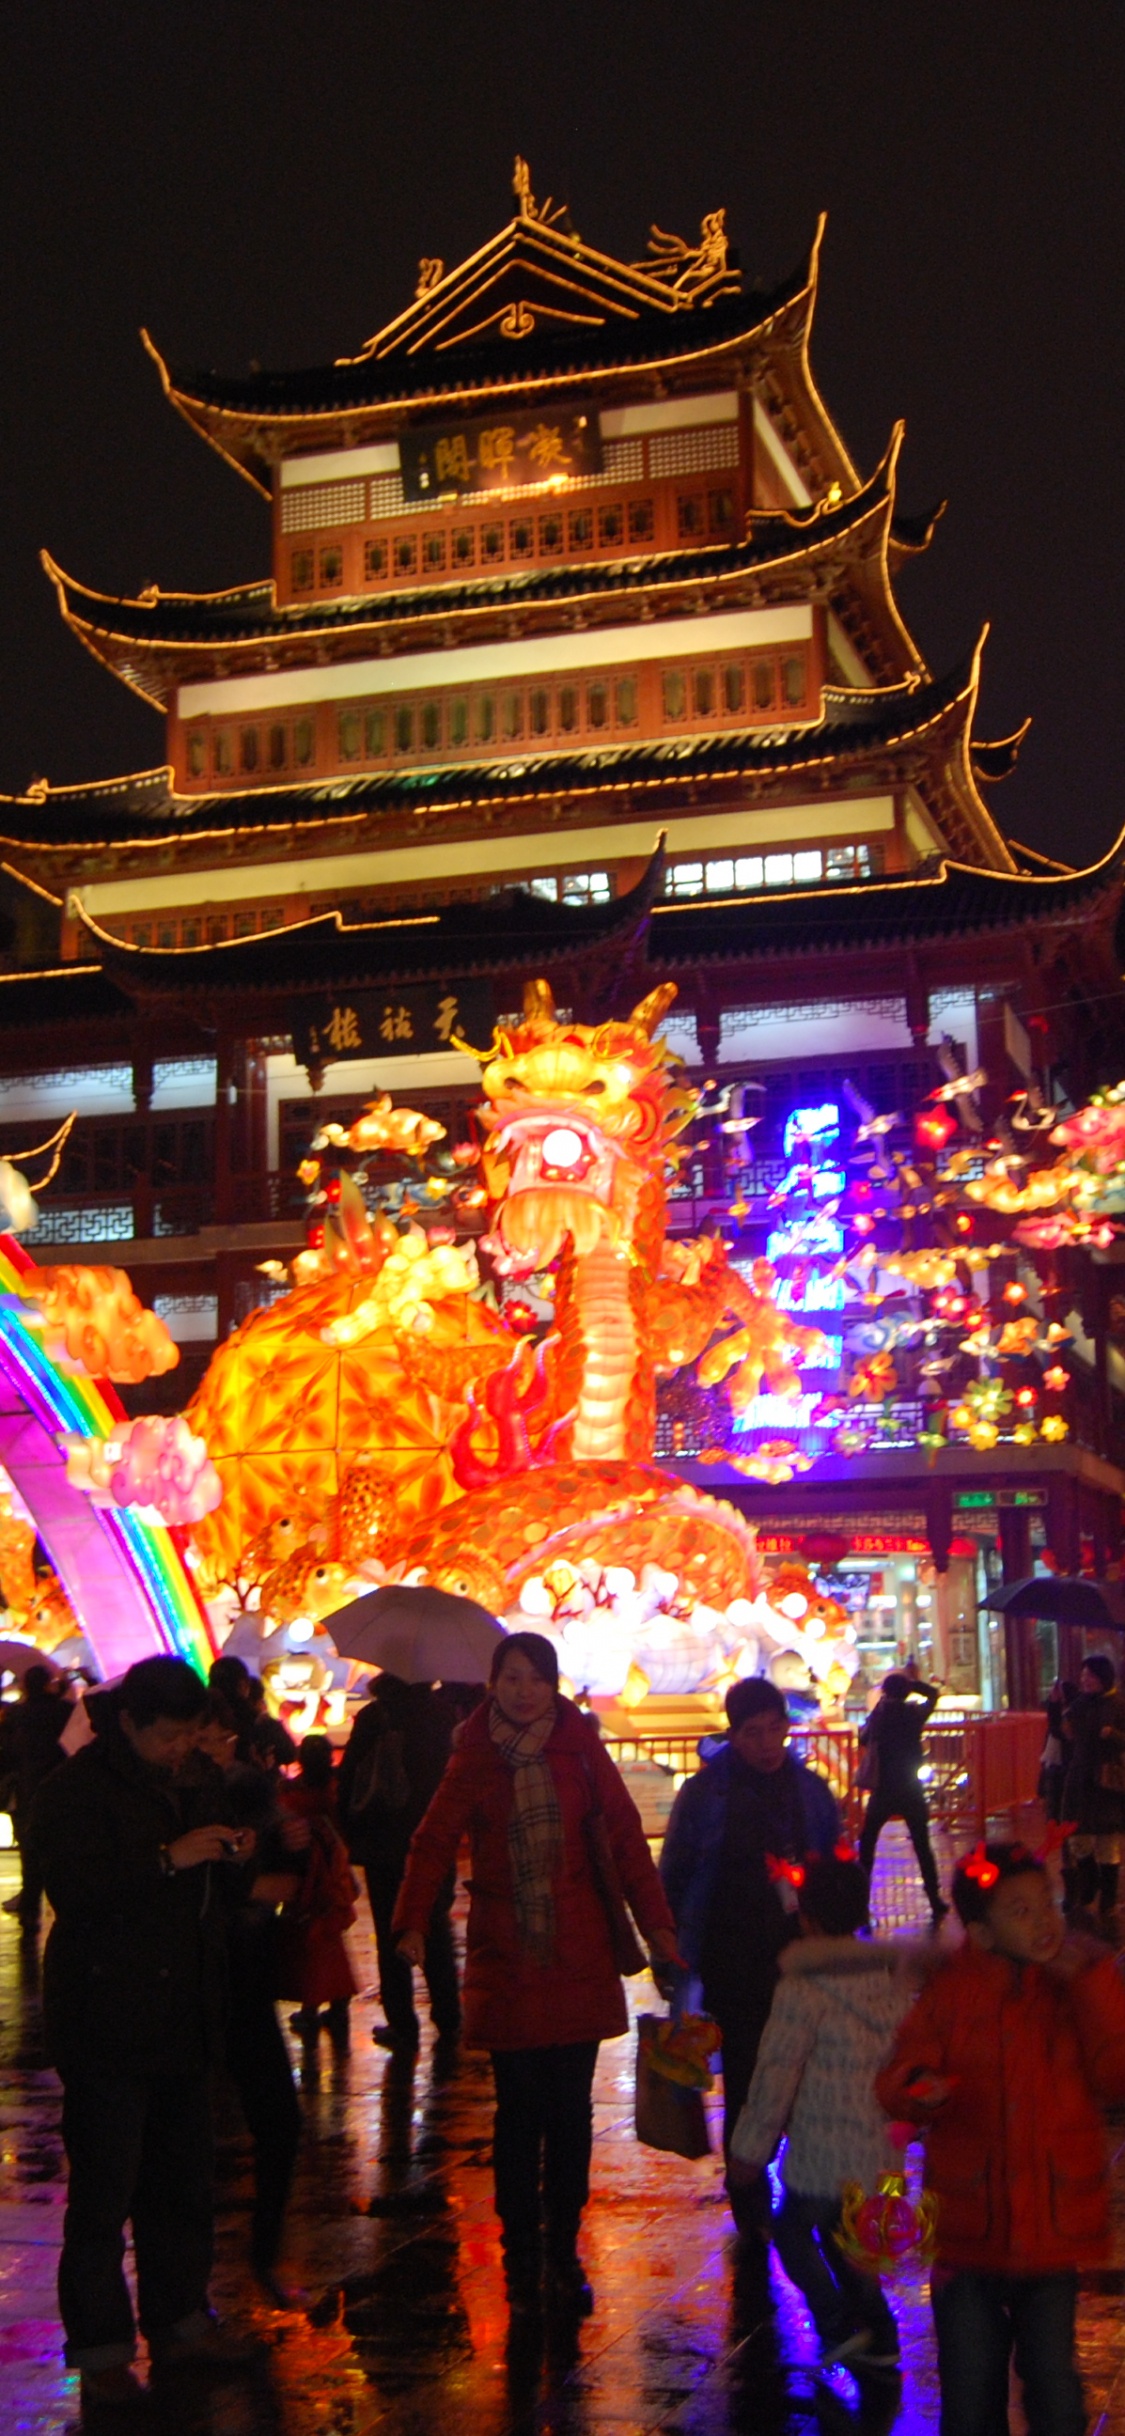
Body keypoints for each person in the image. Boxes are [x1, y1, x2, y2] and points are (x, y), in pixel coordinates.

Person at [393, 1631, 680, 2316]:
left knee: (570, 2113)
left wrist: (660, 1928)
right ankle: (522, 2254)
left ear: (553, 1685)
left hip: (576, 1949)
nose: (522, 1690)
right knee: (520, 2112)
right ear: (492, 1683)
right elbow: (433, 1837)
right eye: (510, 1677)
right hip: (507, 1951)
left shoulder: (579, 1747)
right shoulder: (473, 1754)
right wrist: (408, 1922)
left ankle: (563, 2249)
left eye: (534, 1678)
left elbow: (622, 1834)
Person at [27, 1655, 258, 2411]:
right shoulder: (74, 1790)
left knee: (182, 2183)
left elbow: (216, 1890)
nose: (182, 1747)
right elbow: (78, 1890)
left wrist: (231, 1847)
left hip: (185, 2014)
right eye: (169, 1734)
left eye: (191, 1734)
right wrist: (166, 1858)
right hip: (106, 2021)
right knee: (104, 2192)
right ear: (127, 1722)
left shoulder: (191, 1781)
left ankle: (181, 2320)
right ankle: (100, 2349)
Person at [876, 1838, 1125, 2436]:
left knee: (1055, 2389)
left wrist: (1090, 1984)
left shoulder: (1076, 1988)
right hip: (969, 2236)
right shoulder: (951, 1994)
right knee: (969, 2392)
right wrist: (918, 2088)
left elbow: (1115, 2071)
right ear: (982, 1933)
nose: (1044, 1921)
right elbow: (898, 2074)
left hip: (1051, 2233)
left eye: (1048, 1904)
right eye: (1021, 1910)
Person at [659, 1677, 839, 2231]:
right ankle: (751, 2199)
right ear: (733, 1734)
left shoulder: (810, 1791)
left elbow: (836, 1870)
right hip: (731, 1958)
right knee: (747, 2077)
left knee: (808, 2076)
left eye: (774, 1730)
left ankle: (806, 2190)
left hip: (801, 1959)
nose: (766, 1743)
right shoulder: (705, 1793)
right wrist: (668, 1951)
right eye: (752, 1733)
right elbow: (677, 1870)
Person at [728, 1854, 908, 2370]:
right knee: (845, 2241)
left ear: (806, 1921)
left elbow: (775, 2073)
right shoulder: (888, 1977)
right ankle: (880, 2334)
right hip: (878, 2146)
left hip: (824, 2151)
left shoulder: (802, 1987)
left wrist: (748, 2151)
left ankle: (834, 2324)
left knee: (790, 2232)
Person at [191, 1690, 306, 2302]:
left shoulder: (251, 1796)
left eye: (219, 1739)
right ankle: (187, 2292)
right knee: (189, 2140)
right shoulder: (164, 1800)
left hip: (245, 1984)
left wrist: (295, 1845)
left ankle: (260, 2255)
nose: (211, 1752)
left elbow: (287, 1876)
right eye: (198, 1739)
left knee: (278, 2125)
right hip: (190, 1988)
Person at [338, 1673, 462, 2054]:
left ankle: (402, 2022)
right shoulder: (445, 1715)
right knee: (436, 1926)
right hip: (436, 1835)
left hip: (385, 1842)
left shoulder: (376, 1716)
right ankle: (449, 2015)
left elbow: (349, 1779)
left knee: (391, 1929)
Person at [278, 1733, 357, 2047]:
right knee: (330, 1940)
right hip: (333, 1876)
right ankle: (336, 2004)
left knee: (310, 1944)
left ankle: (312, 2006)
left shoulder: (292, 1796)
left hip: (309, 1879)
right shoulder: (336, 1793)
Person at [857, 1670, 947, 1925]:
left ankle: (862, 1902)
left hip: (883, 1788)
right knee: (922, 1844)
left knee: (868, 1842)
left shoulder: (879, 1714)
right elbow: (933, 1695)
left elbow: (863, 1737)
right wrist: (915, 1684)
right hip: (910, 1787)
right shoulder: (912, 1713)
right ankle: (934, 1898)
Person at [0, 1663, 66, 1933]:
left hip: (28, 1789)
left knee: (30, 1849)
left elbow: (8, 1752)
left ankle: (30, 1904)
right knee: (61, 1849)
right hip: (60, 1789)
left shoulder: (19, 1715)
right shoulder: (64, 1712)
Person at [1061, 1655, 1125, 1932]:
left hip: (1106, 1783)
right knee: (1079, 1839)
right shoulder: (1079, 1704)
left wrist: (1112, 1735)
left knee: (1106, 1842)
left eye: (1091, 1676)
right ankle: (1088, 1886)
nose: (1085, 1680)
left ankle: (1107, 1898)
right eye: (1083, 1675)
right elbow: (1064, 1734)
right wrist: (1056, 1708)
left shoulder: (1118, 1705)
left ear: (1103, 1678)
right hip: (1080, 1781)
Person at [1040, 1678, 1078, 1826]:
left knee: (1061, 1814)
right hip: (1055, 1770)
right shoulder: (1059, 1719)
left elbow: (1059, 1733)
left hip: (1065, 1769)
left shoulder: (1072, 1715)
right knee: (1054, 1814)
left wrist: (1053, 1706)